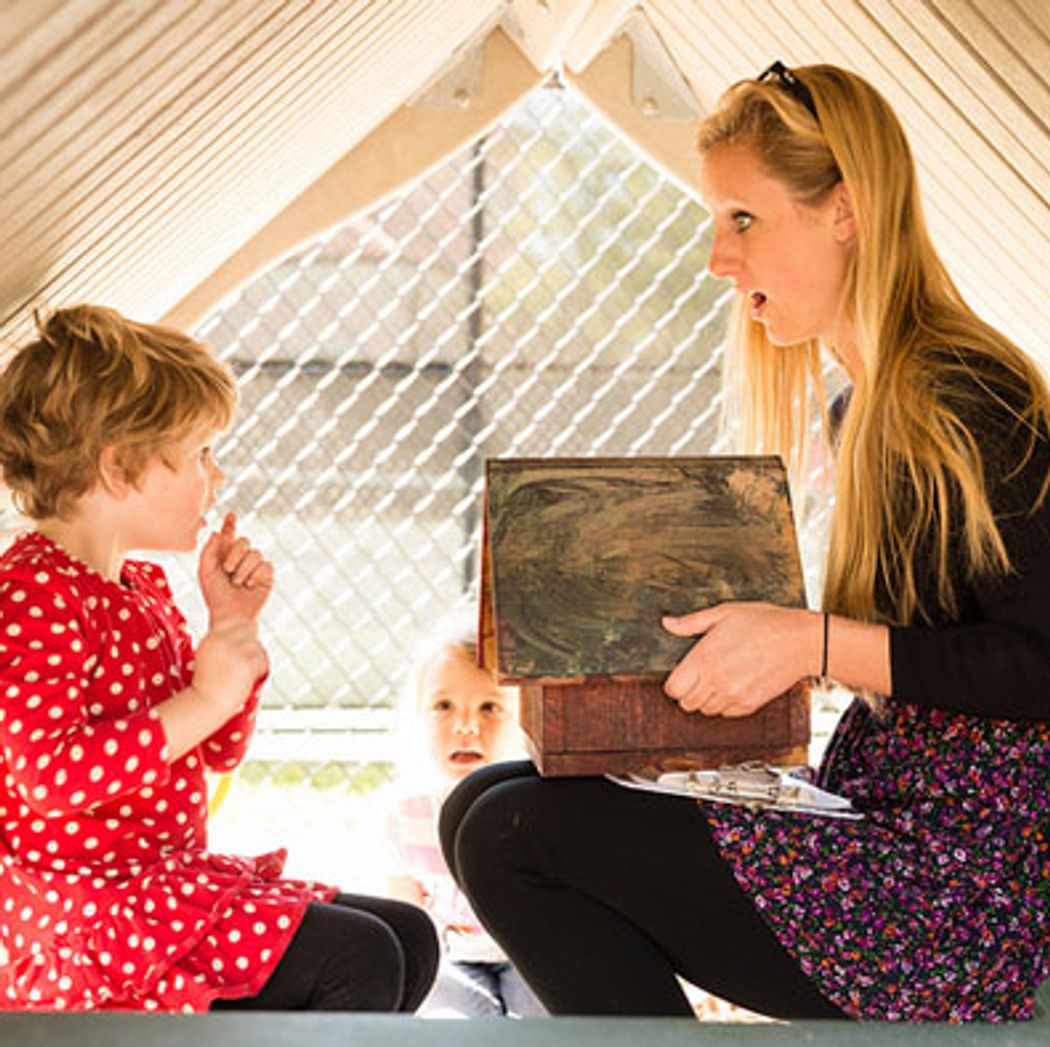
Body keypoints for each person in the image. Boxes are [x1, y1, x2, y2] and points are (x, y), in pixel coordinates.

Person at [439, 62, 1050, 1022]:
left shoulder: (965, 397)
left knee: (511, 829)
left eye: (743, 220)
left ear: (843, 211)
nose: (719, 259)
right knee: (491, 800)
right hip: (884, 831)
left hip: (959, 902)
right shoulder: (870, 409)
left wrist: (808, 641)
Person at [0, 304, 438, 1012]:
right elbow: (50, 776)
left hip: (160, 886)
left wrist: (230, 628)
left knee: (408, 935)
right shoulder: (31, 595)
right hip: (90, 918)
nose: (219, 474)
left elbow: (217, 747)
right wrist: (201, 697)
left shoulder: (138, 588)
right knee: (359, 958)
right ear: (120, 467)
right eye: (200, 452)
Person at [385, 615, 544, 1017]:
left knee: (545, 1023)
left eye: (490, 707)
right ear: (418, 714)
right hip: (452, 959)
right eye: (443, 706)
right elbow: (409, 917)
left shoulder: (535, 804)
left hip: (529, 955)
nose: (467, 726)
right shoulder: (405, 812)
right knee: (448, 1018)